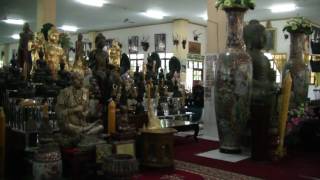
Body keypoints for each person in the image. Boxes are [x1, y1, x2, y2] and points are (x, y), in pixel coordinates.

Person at [56, 71, 103, 137]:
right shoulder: (64, 93)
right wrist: (74, 110)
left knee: (101, 127)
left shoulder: (85, 92)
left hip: (83, 124)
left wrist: (86, 113)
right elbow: (60, 114)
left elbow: (88, 109)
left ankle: (83, 133)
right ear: (72, 80)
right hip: (70, 125)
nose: (81, 81)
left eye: (82, 79)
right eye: (78, 79)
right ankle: (85, 133)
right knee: (68, 127)